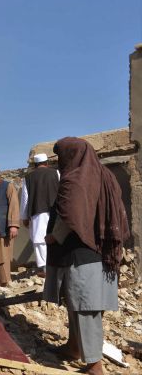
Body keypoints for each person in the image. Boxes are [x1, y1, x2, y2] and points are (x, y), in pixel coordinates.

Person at [44, 137, 129, 375]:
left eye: (61, 156)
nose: (60, 162)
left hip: (80, 254)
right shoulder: (105, 175)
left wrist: (53, 237)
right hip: (103, 251)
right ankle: (73, 347)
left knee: (85, 306)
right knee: (78, 302)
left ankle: (94, 365)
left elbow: (69, 216)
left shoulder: (74, 179)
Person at [20, 153, 60, 277]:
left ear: (35, 165)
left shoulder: (28, 178)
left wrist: (24, 217)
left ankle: (45, 268)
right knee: (56, 237)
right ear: (47, 163)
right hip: (56, 212)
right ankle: (56, 266)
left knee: (39, 240)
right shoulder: (56, 173)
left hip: (37, 213)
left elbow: (25, 199)